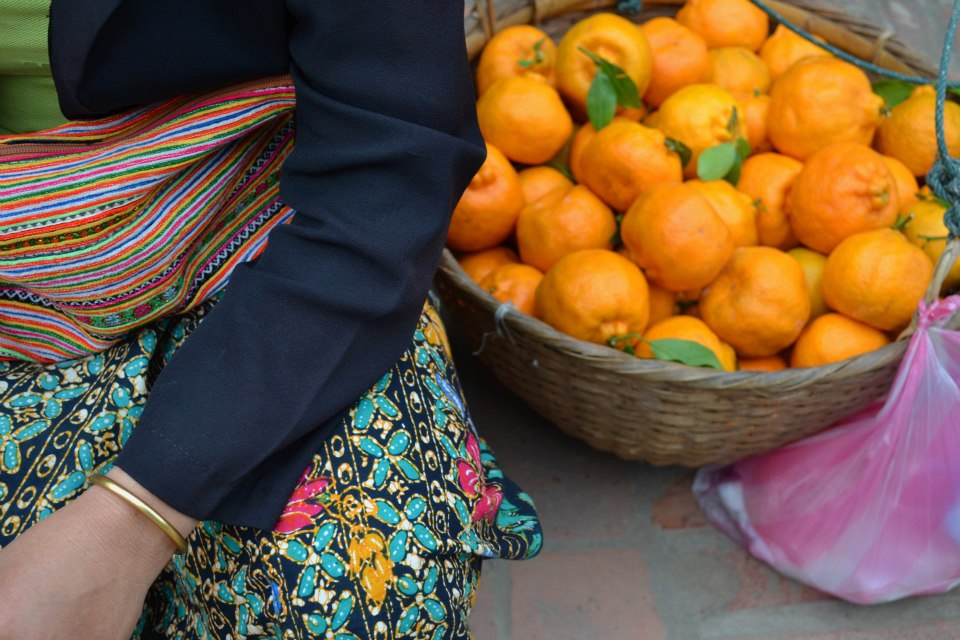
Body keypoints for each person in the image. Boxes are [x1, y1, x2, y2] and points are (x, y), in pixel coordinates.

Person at [0, 1, 542, 638]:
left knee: (354, 603)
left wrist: (134, 516)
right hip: (22, 306)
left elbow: (388, 170)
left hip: (273, 258)